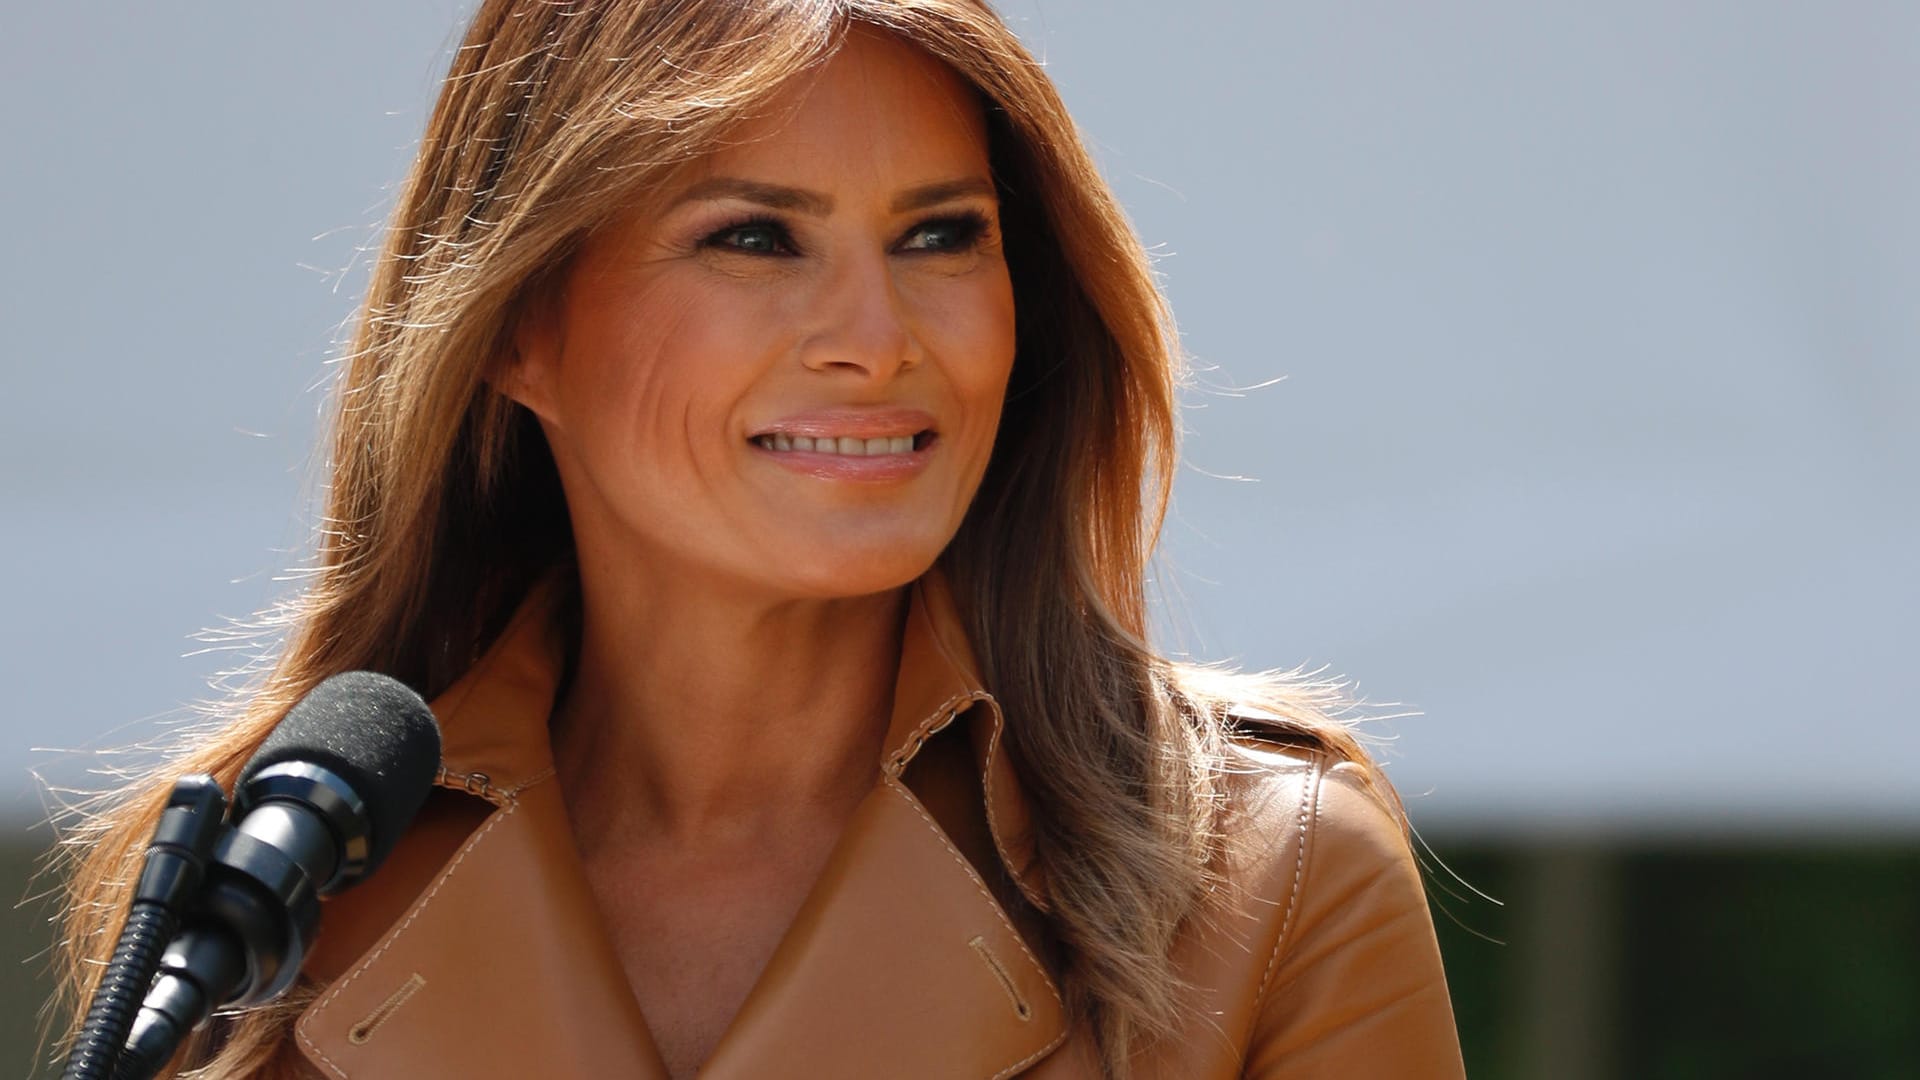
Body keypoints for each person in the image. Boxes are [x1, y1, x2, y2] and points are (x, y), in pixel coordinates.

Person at [54, 2, 1465, 1077]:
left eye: (942, 237)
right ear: (518, 328)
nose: (877, 341)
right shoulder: (261, 890)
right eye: (755, 239)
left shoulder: (1274, 880)